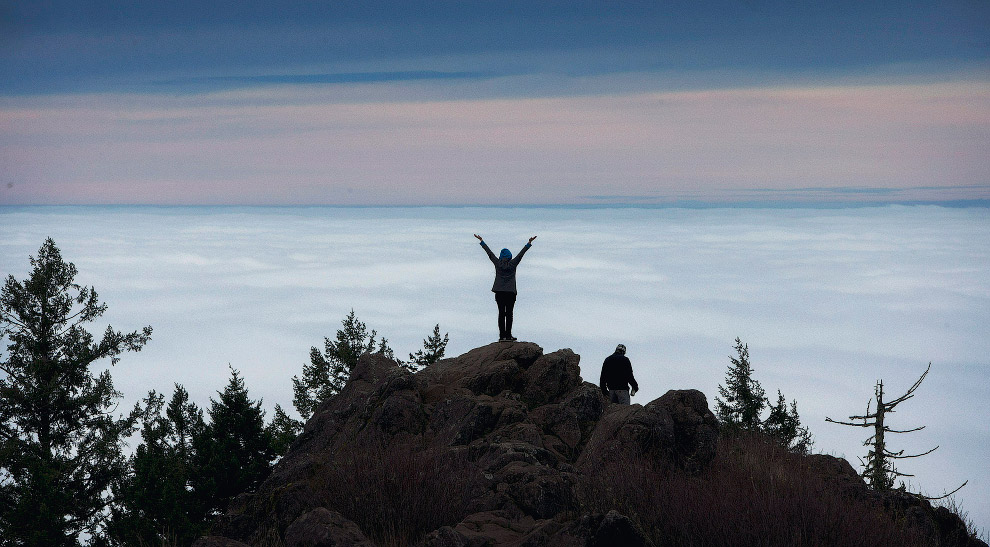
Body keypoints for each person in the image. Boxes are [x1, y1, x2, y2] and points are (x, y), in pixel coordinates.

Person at [473, 233, 537, 341]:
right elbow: (521, 254)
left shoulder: (497, 263)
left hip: (499, 292)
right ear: (510, 256)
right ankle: (508, 336)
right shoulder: (513, 264)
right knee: (509, 314)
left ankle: (502, 336)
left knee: (501, 313)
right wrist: (528, 243)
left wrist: (482, 241)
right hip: (510, 292)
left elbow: (489, 253)